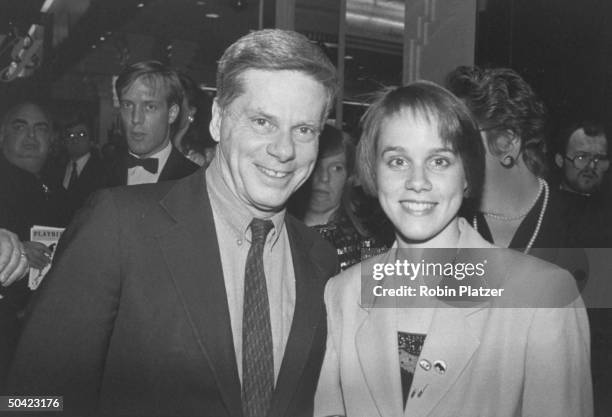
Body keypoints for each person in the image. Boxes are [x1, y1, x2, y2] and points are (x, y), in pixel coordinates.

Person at [7, 29, 339, 417]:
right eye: (263, 121)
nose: (284, 150)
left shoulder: (320, 260)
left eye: (304, 130)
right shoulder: (118, 226)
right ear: (217, 121)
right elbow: (28, 400)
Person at [314, 81, 592, 417]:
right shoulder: (343, 295)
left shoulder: (544, 298)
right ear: (374, 172)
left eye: (440, 161)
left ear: (467, 176)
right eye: (398, 161)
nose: (418, 182)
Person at [446, 66, 588, 284]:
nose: (442, 155)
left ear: (507, 143)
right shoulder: (445, 226)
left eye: (459, 140)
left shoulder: (588, 229)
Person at [0, 101, 67, 388]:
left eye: (40, 129)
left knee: (42, 405)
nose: (31, 137)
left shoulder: (58, 190)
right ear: (2, 133)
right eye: (20, 127)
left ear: (51, 139)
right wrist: (13, 253)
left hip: (40, 333)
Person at [296, 124, 388, 269]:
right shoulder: (278, 234)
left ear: (348, 177)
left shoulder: (369, 239)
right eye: (316, 166)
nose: (324, 177)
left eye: (336, 168)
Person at [106, 60, 199, 186]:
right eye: (128, 105)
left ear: (171, 114)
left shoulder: (194, 180)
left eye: (149, 107)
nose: (136, 119)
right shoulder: (98, 174)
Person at [47, 114, 108, 220]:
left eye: (81, 134)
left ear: (91, 141)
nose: (75, 139)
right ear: (64, 141)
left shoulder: (103, 170)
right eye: (70, 135)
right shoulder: (56, 169)